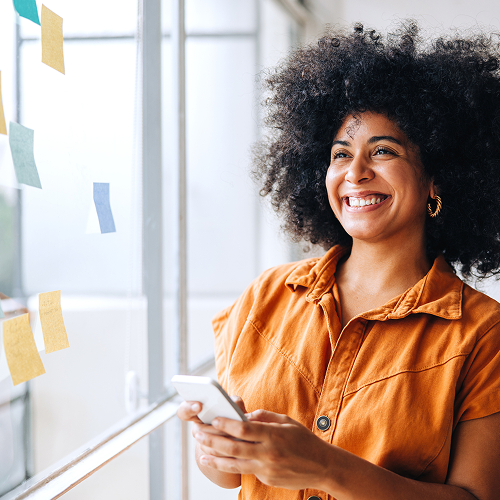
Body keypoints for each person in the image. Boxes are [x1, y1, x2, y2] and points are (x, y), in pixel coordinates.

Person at [177, 22, 500, 500]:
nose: (355, 173)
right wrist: (218, 447)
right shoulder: (266, 296)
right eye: (340, 154)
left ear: (438, 178)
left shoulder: (482, 333)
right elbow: (229, 477)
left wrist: (326, 467)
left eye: (383, 151)